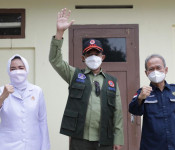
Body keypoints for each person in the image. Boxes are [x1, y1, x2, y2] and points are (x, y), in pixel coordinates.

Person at [49, 8, 124, 150]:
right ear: (83, 58)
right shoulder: (75, 75)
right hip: (80, 138)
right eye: (89, 54)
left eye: (97, 54)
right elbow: (55, 60)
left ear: (102, 58)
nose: (93, 57)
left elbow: (117, 112)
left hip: (105, 138)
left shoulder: (111, 81)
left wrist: (118, 139)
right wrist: (59, 33)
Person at [129, 54, 175, 150]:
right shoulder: (142, 92)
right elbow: (134, 110)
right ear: (146, 73)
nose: (155, 71)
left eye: (158, 67)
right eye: (151, 69)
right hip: (152, 146)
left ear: (166, 69)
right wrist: (140, 98)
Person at [0, 54, 50, 150]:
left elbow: (42, 121)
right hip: (6, 145)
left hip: (32, 145)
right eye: (13, 69)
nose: (17, 71)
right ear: (8, 71)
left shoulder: (37, 91)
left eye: (21, 68)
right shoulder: (1, 90)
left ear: (26, 69)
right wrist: (2, 97)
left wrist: (45, 147)